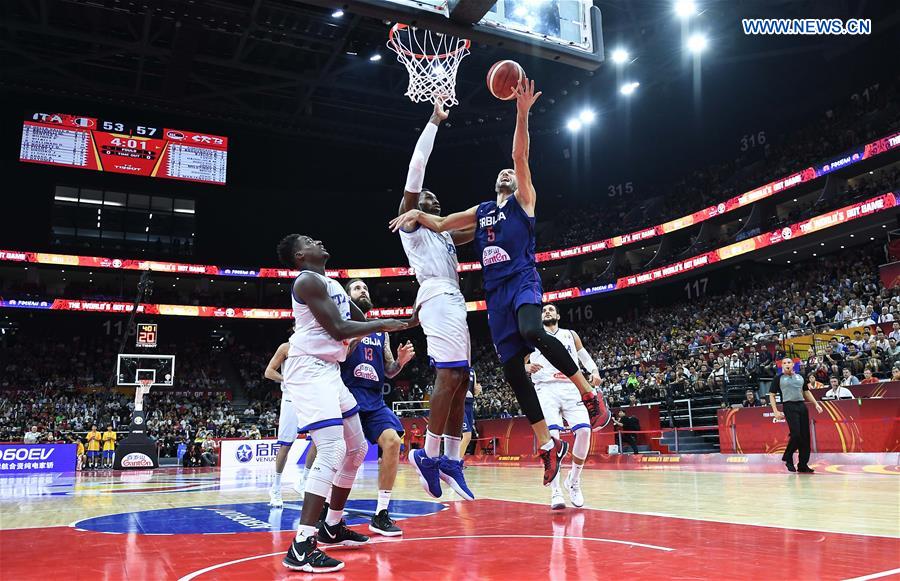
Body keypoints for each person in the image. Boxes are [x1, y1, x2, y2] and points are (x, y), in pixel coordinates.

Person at [390, 78, 609, 488]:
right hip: (494, 296)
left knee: (532, 330)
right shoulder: (483, 211)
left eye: (512, 173)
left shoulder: (524, 202)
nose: (508, 173)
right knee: (511, 370)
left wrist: (522, 112)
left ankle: (586, 393)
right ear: (495, 185)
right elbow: (438, 222)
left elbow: (519, 153)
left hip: (522, 281)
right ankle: (546, 444)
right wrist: (415, 215)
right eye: (503, 173)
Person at [275, 233, 418, 574]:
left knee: (355, 450)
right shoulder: (306, 280)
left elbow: (361, 320)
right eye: (310, 241)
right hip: (308, 367)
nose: (318, 241)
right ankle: (302, 545)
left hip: (329, 370)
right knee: (331, 449)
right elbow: (340, 328)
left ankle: (331, 525)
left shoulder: (333, 283)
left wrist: (404, 319)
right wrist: (386, 323)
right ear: (299, 256)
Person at [394, 98, 477, 501]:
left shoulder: (443, 233)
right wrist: (433, 121)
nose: (434, 201)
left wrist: (506, 201)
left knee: (462, 378)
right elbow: (416, 168)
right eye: (428, 199)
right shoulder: (411, 224)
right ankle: (427, 454)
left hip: (453, 300)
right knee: (448, 375)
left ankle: (448, 458)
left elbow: (476, 227)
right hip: (438, 297)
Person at [340, 279, 416, 535]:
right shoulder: (341, 324)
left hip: (374, 401)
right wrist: (356, 335)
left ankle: (381, 513)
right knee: (342, 457)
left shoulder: (380, 331)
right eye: (358, 288)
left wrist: (401, 362)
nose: (364, 291)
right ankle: (329, 513)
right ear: (348, 297)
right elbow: (340, 357)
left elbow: (390, 370)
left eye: (366, 289)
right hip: (347, 398)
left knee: (393, 442)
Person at [525, 303, 601, 509]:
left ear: (558, 315)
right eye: (544, 310)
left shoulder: (570, 334)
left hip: (570, 387)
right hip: (545, 389)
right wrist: (526, 366)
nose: (547, 312)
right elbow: (518, 363)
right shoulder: (532, 338)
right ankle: (555, 491)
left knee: (585, 431)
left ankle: (573, 482)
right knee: (553, 438)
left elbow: (584, 357)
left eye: (551, 309)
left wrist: (594, 371)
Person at [265, 338, 319, 508]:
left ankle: (303, 482)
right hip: (291, 399)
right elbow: (269, 372)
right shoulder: (286, 347)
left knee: (318, 441)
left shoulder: (315, 347)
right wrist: (286, 379)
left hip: (310, 398)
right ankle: (276, 488)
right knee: (285, 445)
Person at [768, 358, 823, 473]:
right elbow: (772, 395)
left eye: (789, 363)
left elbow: (806, 392)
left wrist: (816, 404)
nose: (787, 364)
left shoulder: (801, 376)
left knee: (805, 436)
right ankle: (788, 457)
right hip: (789, 406)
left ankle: (803, 465)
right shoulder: (778, 378)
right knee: (796, 434)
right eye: (784, 363)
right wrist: (775, 411)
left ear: (793, 365)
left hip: (802, 406)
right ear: (782, 366)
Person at [460, 368, 482, 457]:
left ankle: (456, 461)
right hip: (459, 404)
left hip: (469, 405)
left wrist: (477, 390)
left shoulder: (472, 371)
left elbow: (475, 392)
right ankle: (456, 462)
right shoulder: (457, 367)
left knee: (466, 437)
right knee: (467, 436)